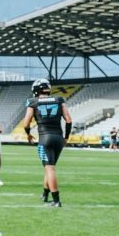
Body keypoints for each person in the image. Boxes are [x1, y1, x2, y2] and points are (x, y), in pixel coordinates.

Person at [22, 78, 72, 208]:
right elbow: (68, 120)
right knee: (50, 167)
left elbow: (26, 123)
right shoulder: (59, 99)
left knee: (49, 168)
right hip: (58, 137)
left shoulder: (32, 102)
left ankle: (56, 200)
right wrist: (66, 137)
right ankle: (45, 194)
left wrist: (28, 133)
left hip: (45, 138)